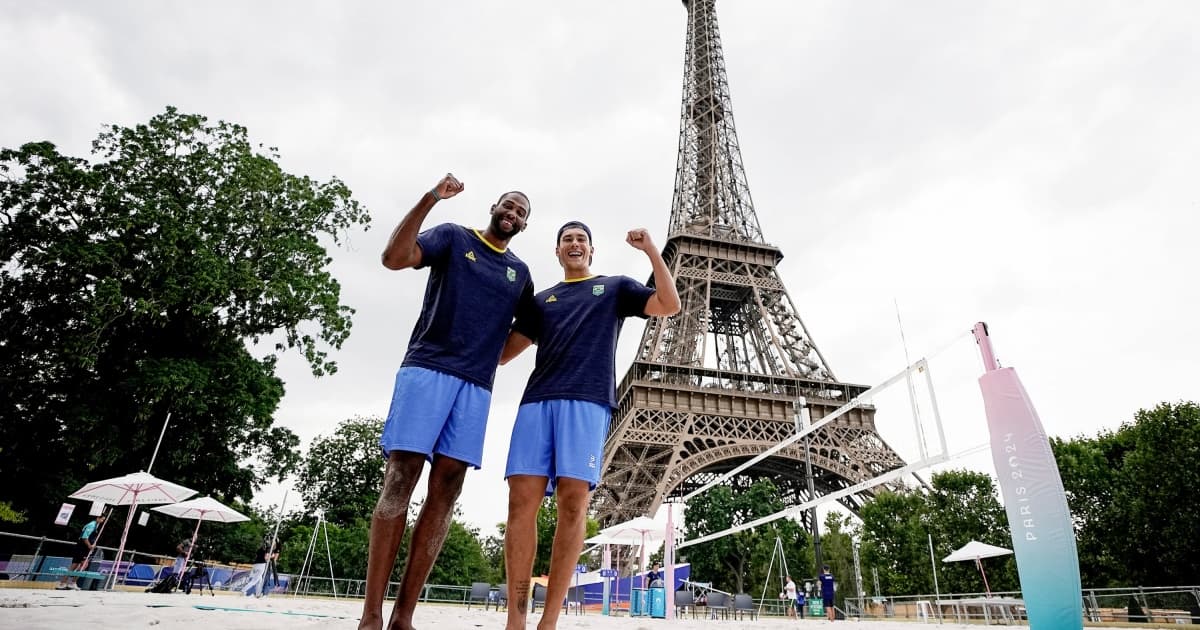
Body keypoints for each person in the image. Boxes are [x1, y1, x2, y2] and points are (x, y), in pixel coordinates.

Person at [360, 174, 535, 630]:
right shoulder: (455, 237)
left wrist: (491, 359)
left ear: (524, 224)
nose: (512, 214)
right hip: (428, 369)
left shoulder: (520, 273)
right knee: (401, 477)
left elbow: (530, 328)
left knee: (448, 489)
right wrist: (430, 198)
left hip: (475, 386)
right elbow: (394, 258)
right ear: (494, 207)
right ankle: (371, 614)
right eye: (508, 205)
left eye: (521, 212)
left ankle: (404, 617)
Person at [501, 222, 681, 630]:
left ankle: (548, 621)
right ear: (558, 251)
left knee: (572, 504)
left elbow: (669, 305)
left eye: (581, 238)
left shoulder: (615, 287)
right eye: (567, 239)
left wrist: (653, 251)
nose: (575, 243)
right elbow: (502, 354)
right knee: (520, 504)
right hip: (537, 402)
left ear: (592, 250)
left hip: (587, 402)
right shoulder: (542, 299)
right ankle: (516, 620)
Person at [57, 513, 105, 590]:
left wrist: (93, 544)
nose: (102, 521)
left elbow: (91, 537)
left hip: (82, 547)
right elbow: (84, 537)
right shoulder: (91, 525)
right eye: (102, 519)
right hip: (82, 548)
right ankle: (72, 582)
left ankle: (64, 583)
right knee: (84, 565)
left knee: (74, 566)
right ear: (97, 518)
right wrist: (90, 546)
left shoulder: (95, 525)